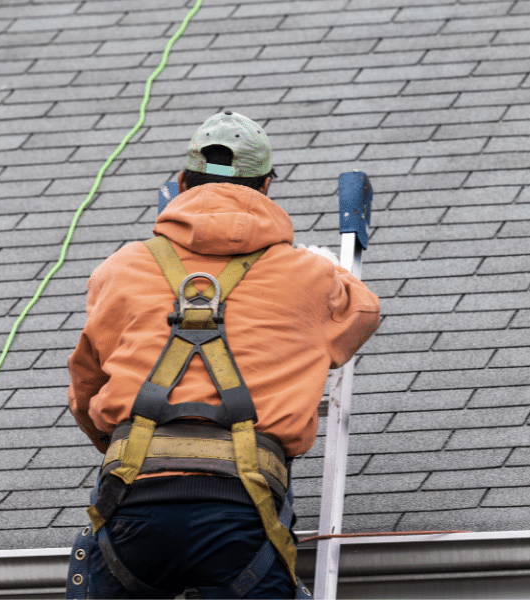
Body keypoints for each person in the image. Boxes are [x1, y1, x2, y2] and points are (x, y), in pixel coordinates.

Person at [67, 111, 380, 599]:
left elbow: (86, 389)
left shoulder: (121, 269)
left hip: (132, 500)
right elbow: (362, 313)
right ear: (267, 187)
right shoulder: (307, 277)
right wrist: (326, 270)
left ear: (181, 183)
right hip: (242, 508)